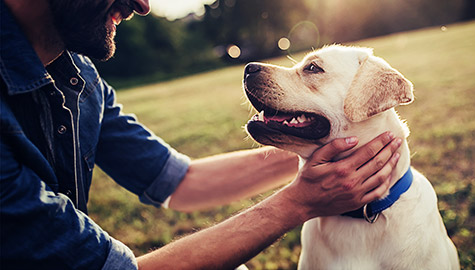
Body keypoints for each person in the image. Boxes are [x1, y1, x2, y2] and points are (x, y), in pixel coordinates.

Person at [0, 0, 403, 269]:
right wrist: (297, 204)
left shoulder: (79, 78)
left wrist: (333, 148)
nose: (142, 4)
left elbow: (182, 182)